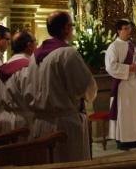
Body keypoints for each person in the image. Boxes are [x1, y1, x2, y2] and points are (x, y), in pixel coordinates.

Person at [26, 11, 97, 162]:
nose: (72, 29)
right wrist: (88, 95)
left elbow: (28, 88)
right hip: (64, 125)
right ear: (65, 28)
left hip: (41, 123)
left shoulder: (34, 56)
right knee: (68, 161)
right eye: (71, 25)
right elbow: (84, 86)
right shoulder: (67, 53)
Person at [105, 19, 136, 150]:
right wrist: (128, 68)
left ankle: (134, 138)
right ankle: (122, 140)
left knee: (134, 112)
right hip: (122, 85)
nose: (129, 31)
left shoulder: (132, 45)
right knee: (123, 112)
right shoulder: (113, 47)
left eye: (129, 28)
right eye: (126, 29)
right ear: (119, 31)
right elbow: (110, 66)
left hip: (133, 83)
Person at [0, 30, 36, 132]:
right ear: (29, 45)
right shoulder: (27, 67)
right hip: (23, 121)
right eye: (35, 42)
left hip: (6, 118)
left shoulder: (6, 65)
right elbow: (32, 96)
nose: (37, 45)